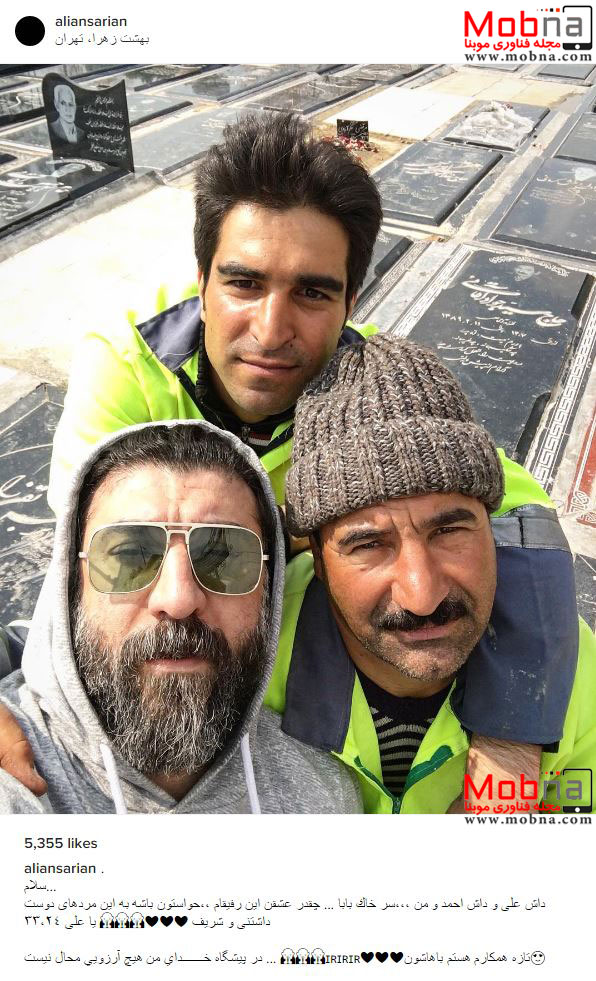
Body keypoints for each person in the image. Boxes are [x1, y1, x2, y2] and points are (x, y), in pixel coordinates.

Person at [0, 111, 579, 799]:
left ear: (351, 302)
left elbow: (515, 514)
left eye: (312, 292)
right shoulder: (125, 371)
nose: (273, 331)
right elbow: (94, 568)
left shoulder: (367, 390)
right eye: (244, 284)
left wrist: (513, 719)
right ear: (201, 283)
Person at [264, 336, 595, 813]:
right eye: (369, 545)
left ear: (494, 527)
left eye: (450, 531)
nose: (422, 595)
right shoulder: (252, 664)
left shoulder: (578, 672)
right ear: (316, 556)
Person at [0, 421, 362, 814]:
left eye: (223, 556)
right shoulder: (12, 777)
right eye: (129, 555)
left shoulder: (325, 795)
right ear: (71, 583)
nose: (178, 599)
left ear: (269, 589)